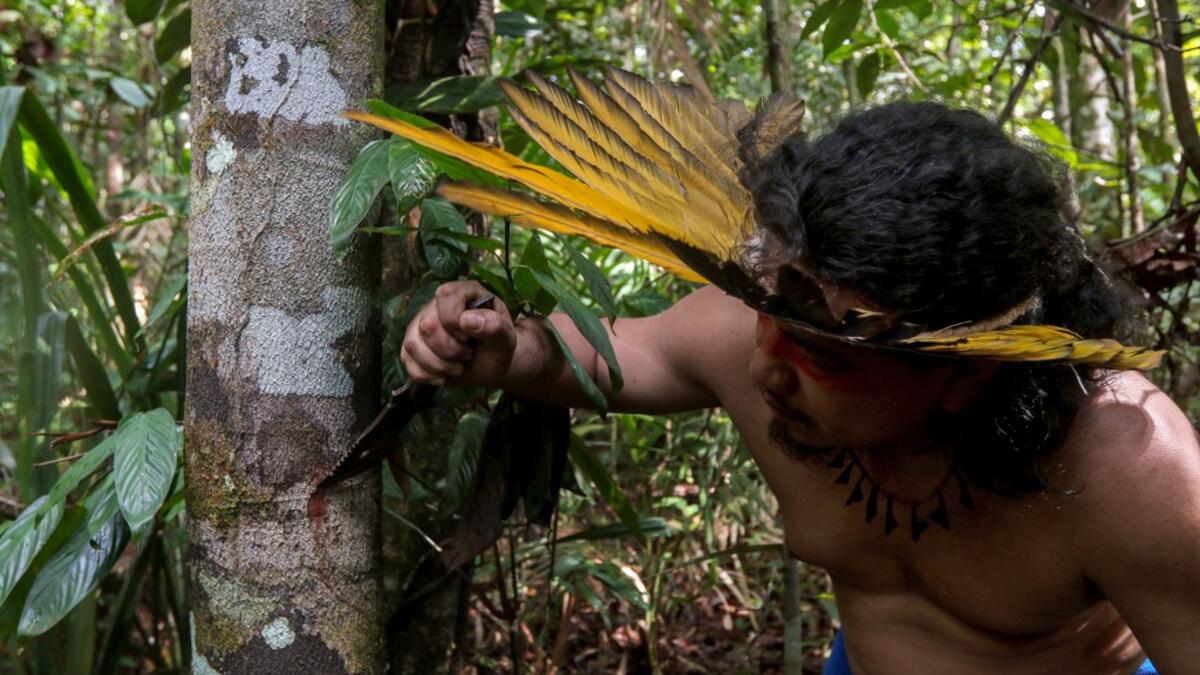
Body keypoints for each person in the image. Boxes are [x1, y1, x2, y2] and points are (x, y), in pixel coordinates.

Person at [398, 102, 1199, 674]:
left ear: (964, 371)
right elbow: (623, 353)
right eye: (764, 320)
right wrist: (505, 348)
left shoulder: (1129, 465)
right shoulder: (774, 321)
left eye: (825, 357)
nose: (762, 369)